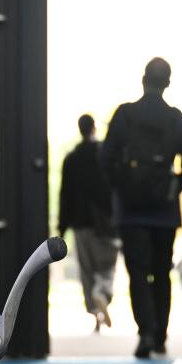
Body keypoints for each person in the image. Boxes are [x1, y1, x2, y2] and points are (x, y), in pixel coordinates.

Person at [101, 57, 182, 358]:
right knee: (162, 273)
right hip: (165, 212)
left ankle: (146, 333)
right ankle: (161, 336)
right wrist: (172, 188)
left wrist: (122, 187)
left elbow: (106, 158)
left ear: (143, 81)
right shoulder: (177, 118)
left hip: (131, 211)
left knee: (138, 273)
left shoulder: (124, 115)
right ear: (167, 83)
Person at [58, 113, 118, 332]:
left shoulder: (71, 159)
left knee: (87, 270)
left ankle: (95, 313)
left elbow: (65, 195)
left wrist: (62, 227)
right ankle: (102, 293)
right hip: (105, 223)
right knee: (107, 267)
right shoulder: (105, 154)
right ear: (94, 128)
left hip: (80, 223)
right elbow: (114, 187)